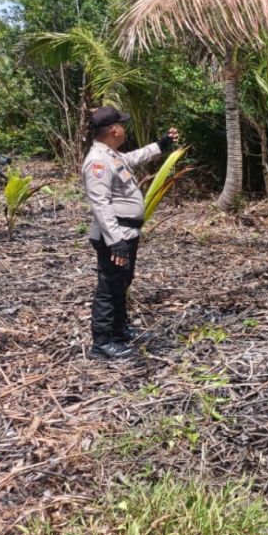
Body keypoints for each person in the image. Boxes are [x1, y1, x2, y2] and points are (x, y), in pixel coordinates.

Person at [82, 106, 179, 359]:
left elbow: (135, 157)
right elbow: (100, 204)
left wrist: (161, 144)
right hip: (115, 236)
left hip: (126, 233)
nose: (124, 129)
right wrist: (115, 242)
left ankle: (119, 331)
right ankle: (102, 343)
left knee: (122, 283)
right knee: (109, 287)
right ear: (114, 130)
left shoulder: (112, 155)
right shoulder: (97, 162)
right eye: (122, 125)